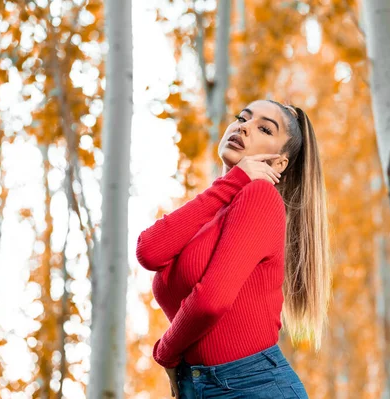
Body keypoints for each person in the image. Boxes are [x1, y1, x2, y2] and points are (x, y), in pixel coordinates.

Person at [136, 99, 332, 398]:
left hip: (252, 385)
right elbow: (149, 251)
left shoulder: (261, 196)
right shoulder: (212, 208)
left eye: (264, 128)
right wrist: (229, 184)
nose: (244, 127)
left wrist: (165, 352)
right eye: (242, 117)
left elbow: (210, 301)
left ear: (279, 163)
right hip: (202, 385)